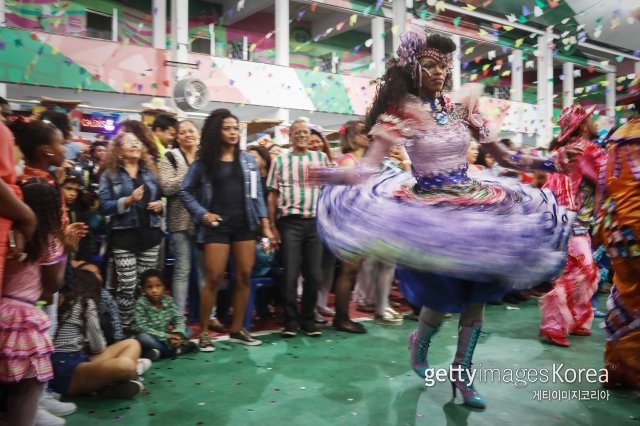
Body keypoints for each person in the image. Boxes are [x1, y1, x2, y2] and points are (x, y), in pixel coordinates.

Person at [310, 31, 578, 409]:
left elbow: (503, 158)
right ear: (412, 68)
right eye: (431, 65)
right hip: (431, 214)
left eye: (444, 66)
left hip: (474, 206)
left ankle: (461, 373)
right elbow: (367, 168)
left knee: (477, 297)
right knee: (440, 302)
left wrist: (551, 163)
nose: (440, 72)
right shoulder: (402, 113)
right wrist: (325, 175)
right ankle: (419, 340)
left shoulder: (461, 109)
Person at [179, 109, 275, 351]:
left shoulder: (247, 160)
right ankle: (203, 333)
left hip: (244, 224)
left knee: (244, 276)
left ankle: (238, 329)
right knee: (213, 278)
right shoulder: (204, 162)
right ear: (215, 131)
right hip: (217, 226)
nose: (233, 133)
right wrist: (203, 214)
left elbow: (257, 196)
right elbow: (184, 190)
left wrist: (265, 225)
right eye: (227, 128)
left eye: (235, 128)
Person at [0, 180, 66, 426]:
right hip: (22, 316)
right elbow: (51, 288)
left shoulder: (9, 231)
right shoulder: (47, 239)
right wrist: (66, 249)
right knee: (27, 387)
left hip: (3, 308)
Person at [538, 104, 605, 347]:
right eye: (591, 119)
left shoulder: (567, 149)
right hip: (572, 223)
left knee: (585, 271)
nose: (595, 122)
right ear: (582, 126)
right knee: (574, 273)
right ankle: (553, 326)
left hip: (570, 222)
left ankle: (578, 321)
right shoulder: (587, 151)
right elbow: (609, 177)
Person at [595, 76, 640, 389]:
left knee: (626, 291)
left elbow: (605, 190)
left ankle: (617, 367)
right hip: (636, 228)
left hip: (618, 232)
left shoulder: (617, 136)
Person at [266, 119, 330, 338]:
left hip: (315, 223)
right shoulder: (280, 161)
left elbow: (329, 190)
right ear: (290, 136)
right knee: (290, 274)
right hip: (290, 223)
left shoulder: (320, 158)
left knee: (314, 274)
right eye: (297, 132)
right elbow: (272, 195)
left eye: (305, 132)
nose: (302, 135)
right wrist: (272, 226)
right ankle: (291, 321)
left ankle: (308, 320)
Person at [98, 132, 163, 330]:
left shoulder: (150, 173)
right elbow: (103, 206)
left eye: (137, 142)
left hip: (150, 235)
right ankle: (124, 327)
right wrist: (128, 201)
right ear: (119, 151)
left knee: (146, 286)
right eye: (129, 142)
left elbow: (162, 198)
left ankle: (142, 325)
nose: (135, 144)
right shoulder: (109, 174)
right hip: (123, 236)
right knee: (126, 286)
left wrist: (161, 205)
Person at [50, 269, 145, 399]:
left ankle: (105, 387)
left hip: (65, 362)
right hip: (66, 370)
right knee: (126, 365)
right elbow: (98, 347)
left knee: (132, 343)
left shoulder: (60, 298)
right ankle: (130, 374)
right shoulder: (86, 302)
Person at [159, 119, 199, 315]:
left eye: (191, 131)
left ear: (198, 134)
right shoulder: (171, 156)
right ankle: (178, 317)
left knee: (204, 271)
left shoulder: (204, 157)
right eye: (182, 132)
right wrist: (190, 173)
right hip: (179, 221)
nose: (188, 134)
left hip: (203, 221)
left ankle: (209, 314)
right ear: (178, 137)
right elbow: (166, 187)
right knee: (182, 271)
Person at [135, 269, 196, 359]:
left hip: (168, 338)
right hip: (155, 338)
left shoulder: (168, 301)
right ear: (143, 289)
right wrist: (167, 337)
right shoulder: (141, 303)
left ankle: (158, 352)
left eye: (158, 286)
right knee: (143, 338)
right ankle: (175, 351)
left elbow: (178, 318)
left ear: (164, 287)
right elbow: (142, 327)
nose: (154, 290)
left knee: (188, 331)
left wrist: (177, 334)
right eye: (149, 287)